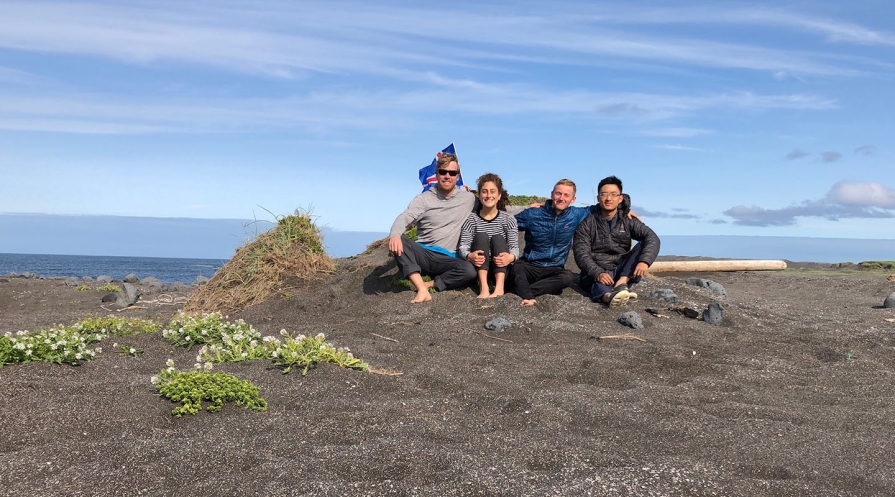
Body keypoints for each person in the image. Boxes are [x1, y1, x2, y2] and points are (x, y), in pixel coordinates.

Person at [511, 179, 632, 306]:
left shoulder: (576, 215)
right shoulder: (533, 214)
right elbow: (506, 224)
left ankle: (523, 291)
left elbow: (602, 206)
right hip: (530, 265)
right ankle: (528, 295)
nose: (561, 198)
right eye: (558, 193)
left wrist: (623, 211)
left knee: (567, 277)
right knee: (516, 267)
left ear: (573, 199)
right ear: (552, 194)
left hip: (554, 268)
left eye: (566, 195)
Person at [388, 152, 477, 303]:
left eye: (452, 173)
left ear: (457, 176)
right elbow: (405, 217)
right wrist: (395, 235)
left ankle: (429, 284)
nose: (447, 176)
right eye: (443, 172)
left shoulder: (469, 199)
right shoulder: (423, 199)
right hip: (424, 254)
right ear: (437, 174)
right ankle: (421, 289)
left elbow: (495, 209)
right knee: (401, 240)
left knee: (469, 271)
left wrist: (528, 207)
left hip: (449, 259)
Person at [573, 175, 660, 307]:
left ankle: (621, 283)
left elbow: (652, 238)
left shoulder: (627, 219)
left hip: (622, 269)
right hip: (597, 269)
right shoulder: (586, 223)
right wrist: (598, 273)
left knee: (644, 243)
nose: (608, 199)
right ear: (598, 198)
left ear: (620, 198)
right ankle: (608, 297)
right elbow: (581, 253)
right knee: (596, 282)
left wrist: (644, 262)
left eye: (613, 194)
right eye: (604, 194)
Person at [457, 173, 519, 299]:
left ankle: (499, 287)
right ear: (479, 194)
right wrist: (469, 256)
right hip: (479, 266)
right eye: (484, 192)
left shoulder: (508, 219)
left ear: (499, 195)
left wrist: (511, 257)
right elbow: (463, 246)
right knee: (481, 236)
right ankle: (484, 288)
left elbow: (515, 247)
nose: (489, 195)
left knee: (497, 238)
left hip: (501, 265)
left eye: (492, 191)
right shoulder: (471, 219)